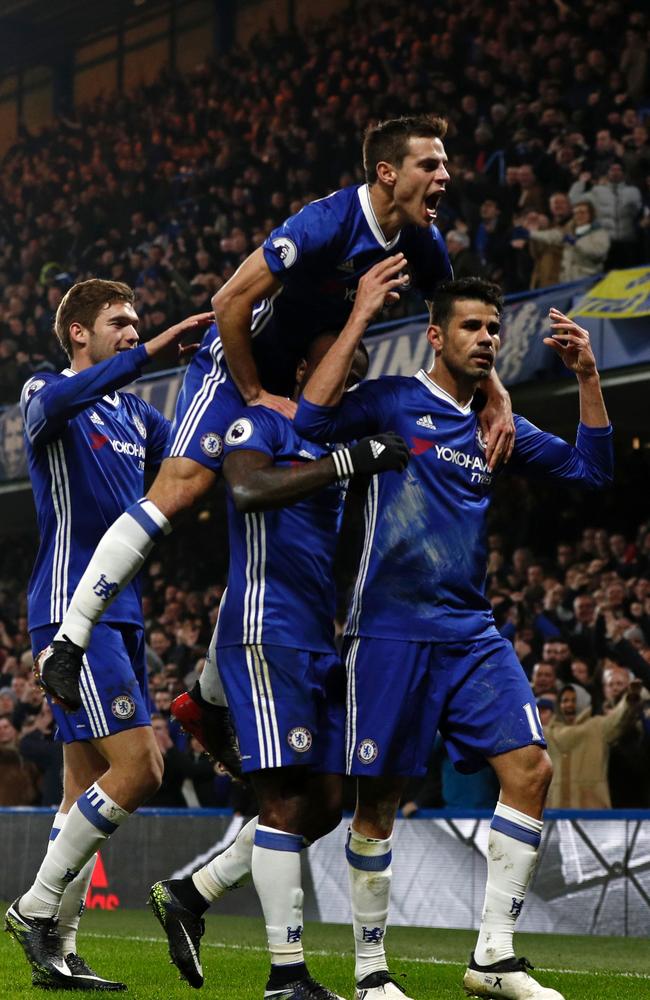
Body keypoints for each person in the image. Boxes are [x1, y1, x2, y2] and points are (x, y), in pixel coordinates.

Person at [34, 115, 514, 753]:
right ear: (387, 173)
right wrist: (255, 390)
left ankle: (205, 697)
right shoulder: (324, 223)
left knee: (282, 531)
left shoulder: (421, 243)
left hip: (304, 387)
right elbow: (231, 301)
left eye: (446, 164)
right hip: (237, 364)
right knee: (179, 492)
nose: (446, 176)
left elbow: (458, 320)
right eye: (431, 165)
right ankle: (69, 641)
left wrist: (496, 391)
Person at [293, 269, 614, 1000]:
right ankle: (371, 974)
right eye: (471, 327)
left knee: (530, 769)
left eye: (494, 330)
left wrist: (589, 377)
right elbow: (310, 423)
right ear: (436, 336)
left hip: (471, 631)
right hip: (388, 631)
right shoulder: (391, 403)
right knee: (377, 801)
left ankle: (493, 958)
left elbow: (593, 471)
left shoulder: (495, 423)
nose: (487, 340)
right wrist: (362, 318)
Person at [148, 333, 411, 1000]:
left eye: (359, 377)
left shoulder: (333, 438)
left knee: (326, 799)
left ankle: (190, 891)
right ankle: (285, 977)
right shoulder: (259, 419)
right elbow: (246, 488)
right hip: (264, 632)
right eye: (342, 371)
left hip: (316, 639)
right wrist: (348, 462)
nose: (350, 386)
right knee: (284, 799)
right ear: (303, 365)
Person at [4, 278, 211, 990]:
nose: (133, 330)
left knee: (84, 789)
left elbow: (188, 451)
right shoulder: (44, 394)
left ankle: (57, 949)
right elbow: (61, 401)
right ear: (78, 334)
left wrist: (209, 365)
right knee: (142, 769)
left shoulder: (135, 415)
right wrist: (153, 349)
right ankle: (33, 909)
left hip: (123, 615)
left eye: (138, 320)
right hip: (68, 613)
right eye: (119, 322)